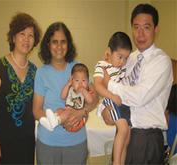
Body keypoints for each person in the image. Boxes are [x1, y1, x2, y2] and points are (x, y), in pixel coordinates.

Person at [101, 4, 173, 164]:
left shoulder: (161, 61)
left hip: (146, 139)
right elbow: (112, 88)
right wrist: (104, 110)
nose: (140, 34)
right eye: (136, 27)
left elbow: (139, 96)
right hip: (123, 135)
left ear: (156, 29)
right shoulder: (128, 58)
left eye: (146, 27)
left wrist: (109, 83)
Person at [33, 22, 98, 164]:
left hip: (76, 143)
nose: (59, 46)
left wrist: (81, 112)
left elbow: (95, 98)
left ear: (68, 44)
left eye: (63, 42)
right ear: (48, 45)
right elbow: (36, 111)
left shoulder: (78, 69)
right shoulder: (41, 73)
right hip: (48, 143)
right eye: (54, 42)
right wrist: (62, 120)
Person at [0, 12, 41, 164]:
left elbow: (38, 106)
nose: (26, 39)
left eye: (31, 35)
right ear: (13, 37)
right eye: (22, 34)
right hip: (2, 142)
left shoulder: (35, 71)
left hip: (27, 142)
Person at [93, 31, 132, 165]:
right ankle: (116, 162)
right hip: (111, 100)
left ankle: (121, 161)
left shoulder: (123, 67)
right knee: (122, 129)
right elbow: (98, 86)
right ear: (109, 52)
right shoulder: (101, 65)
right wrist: (112, 96)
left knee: (127, 134)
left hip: (123, 102)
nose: (123, 61)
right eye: (120, 56)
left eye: (126, 58)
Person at [40, 63, 94, 132]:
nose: (80, 83)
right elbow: (62, 96)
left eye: (83, 80)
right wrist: (68, 84)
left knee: (67, 112)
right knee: (59, 110)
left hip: (79, 120)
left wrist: (84, 90)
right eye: (77, 80)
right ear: (72, 80)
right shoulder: (70, 89)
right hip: (68, 117)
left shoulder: (86, 92)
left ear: (88, 81)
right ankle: (51, 123)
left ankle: (56, 122)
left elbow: (90, 101)